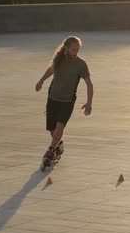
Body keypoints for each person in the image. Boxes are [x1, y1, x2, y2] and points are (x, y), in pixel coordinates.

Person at [35, 36, 94, 164]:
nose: (75, 53)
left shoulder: (81, 64)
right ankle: (58, 145)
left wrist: (89, 103)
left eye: (77, 50)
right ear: (66, 48)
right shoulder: (59, 59)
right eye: (73, 50)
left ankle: (50, 151)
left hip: (67, 100)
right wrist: (41, 80)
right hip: (53, 98)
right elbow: (51, 70)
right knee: (52, 129)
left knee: (60, 126)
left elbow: (89, 84)